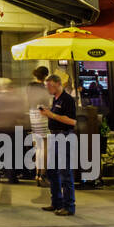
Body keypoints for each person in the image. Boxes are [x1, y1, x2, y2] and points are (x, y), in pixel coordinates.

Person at [40, 73, 77, 216]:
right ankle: (56, 202)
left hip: (64, 136)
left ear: (57, 84)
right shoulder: (55, 99)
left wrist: (51, 115)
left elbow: (72, 121)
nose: (48, 89)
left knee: (65, 172)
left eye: (49, 86)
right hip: (55, 136)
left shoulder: (67, 99)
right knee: (52, 170)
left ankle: (69, 206)